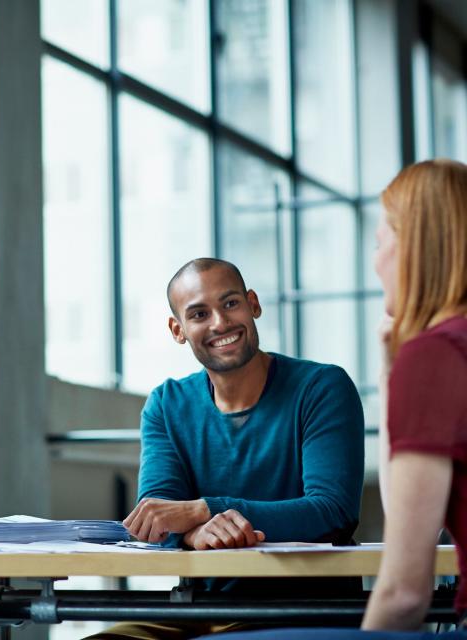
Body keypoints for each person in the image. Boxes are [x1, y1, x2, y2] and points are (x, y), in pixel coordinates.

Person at [200, 160, 467, 639]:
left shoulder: (435, 357)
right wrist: (391, 375)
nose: (376, 260)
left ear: (417, 249)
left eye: (380, 242)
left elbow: (405, 589)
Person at [89, 257, 365, 640]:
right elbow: (158, 512)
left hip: (302, 613)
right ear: (178, 329)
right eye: (199, 314)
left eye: (231, 303)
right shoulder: (166, 403)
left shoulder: (322, 388)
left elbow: (332, 511)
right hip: (195, 610)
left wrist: (206, 509)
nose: (220, 323)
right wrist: (191, 533)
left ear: (253, 304)